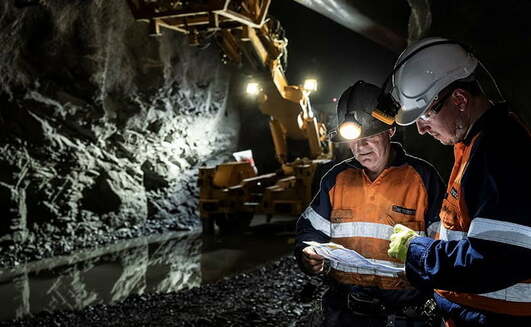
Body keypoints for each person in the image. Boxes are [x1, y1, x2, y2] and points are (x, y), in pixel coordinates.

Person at [387, 37, 531, 326]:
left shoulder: (500, 151)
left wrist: (418, 250)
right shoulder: (474, 145)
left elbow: (497, 258)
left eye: (426, 114)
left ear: (460, 100)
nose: (421, 128)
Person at [295, 80, 445, 326]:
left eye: (369, 137)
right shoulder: (336, 179)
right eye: (353, 140)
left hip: (404, 317)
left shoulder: (423, 179)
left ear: (390, 131)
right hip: (346, 315)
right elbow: (310, 229)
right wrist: (307, 255)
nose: (360, 147)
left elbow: (443, 249)